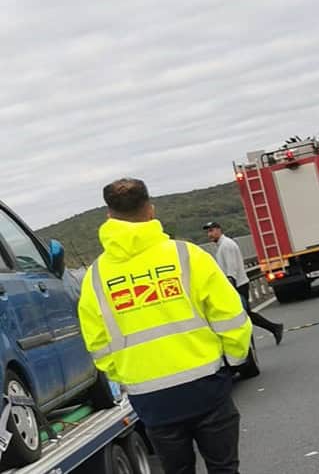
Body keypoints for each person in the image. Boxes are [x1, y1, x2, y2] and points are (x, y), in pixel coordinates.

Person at [79, 178, 251, 474]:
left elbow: (97, 343)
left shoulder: (95, 277)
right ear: (150, 210)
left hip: (151, 398)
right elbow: (231, 316)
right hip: (206, 384)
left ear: (109, 216)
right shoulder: (188, 255)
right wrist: (233, 360)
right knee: (224, 468)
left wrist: (129, 376)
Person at [204, 221, 284, 345]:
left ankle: (272, 330)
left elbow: (232, 268)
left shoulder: (226, 246)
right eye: (208, 231)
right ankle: (274, 328)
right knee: (245, 315)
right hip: (238, 284)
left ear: (219, 230)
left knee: (243, 315)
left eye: (212, 231)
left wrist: (231, 286)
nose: (210, 234)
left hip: (238, 285)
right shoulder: (222, 246)